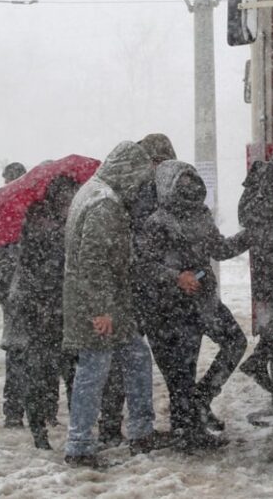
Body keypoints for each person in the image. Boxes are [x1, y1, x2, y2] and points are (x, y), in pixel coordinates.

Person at [62, 141, 170, 468]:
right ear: (127, 170)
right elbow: (93, 260)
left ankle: (141, 430)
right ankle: (79, 446)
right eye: (138, 176)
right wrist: (100, 310)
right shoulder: (104, 203)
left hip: (110, 303)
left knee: (135, 358)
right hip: (100, 305)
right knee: (93, 372)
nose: (140, 186)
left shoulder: (94, 191)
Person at [135, 159, 250, 450]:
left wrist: (250, 236)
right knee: (180, 373)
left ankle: (201, 399)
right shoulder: (156, 223)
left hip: (204, 301)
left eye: (193, 185)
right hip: (168, 309)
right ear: (167, 188)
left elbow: (219, 249)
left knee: (235, 341)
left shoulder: (201, 214)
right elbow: (143, 267)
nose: (189, 192)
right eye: (183, 186)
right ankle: (187, 432)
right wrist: (176, 277)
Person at [98, 132, 174, 446]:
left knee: (127, 360)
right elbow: (141, 245)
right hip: (136, 288)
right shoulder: (143, 193)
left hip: (136, 286)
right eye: (161, 162)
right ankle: (130, 430)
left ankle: (114, 427)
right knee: (130, 359)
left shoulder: (131, 190)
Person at [10, 174, 79, 450]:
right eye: (70, 196)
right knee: (40, 373)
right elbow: (28, 268)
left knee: (71, 372)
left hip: (61, 310)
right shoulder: (41, 223)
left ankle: (73, 430)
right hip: (41, 311)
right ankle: (40, 430)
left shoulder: (67, 222)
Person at [237, 151, 273, 404]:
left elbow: (248, 218)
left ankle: (261, 363)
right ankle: (264, 368)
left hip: (267, 263)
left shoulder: (263, 178)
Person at [0, 161, 29, 429]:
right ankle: (17, 410)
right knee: (22, 352)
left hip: (21, 293)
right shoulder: (3, 214)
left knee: (21, 353)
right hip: (18, 294)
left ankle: (17, 410)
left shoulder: (20, 212)